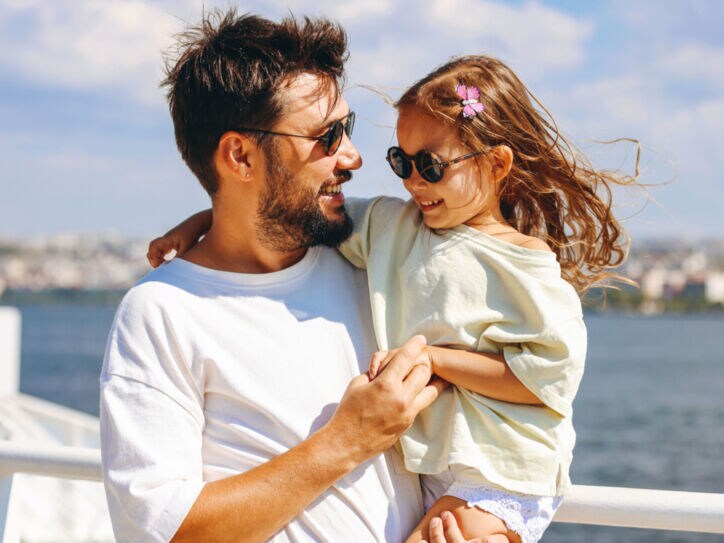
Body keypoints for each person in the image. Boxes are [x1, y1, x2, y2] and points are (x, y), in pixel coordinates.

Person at [151, 55, 641, 543]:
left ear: (496, 163)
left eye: (430, 165)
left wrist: (435, 360)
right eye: (401, 161)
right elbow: (290, 213)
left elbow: (545, 382)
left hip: (500, 469)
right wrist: (200, 225)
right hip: (436, 465)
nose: (412, 182)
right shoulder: (392, 227)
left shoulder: (525, 264)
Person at [100, 10, 458, 543]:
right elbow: (161, 530)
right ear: (239, 156)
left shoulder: (377, 259)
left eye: (349, 128)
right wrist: (346, 440)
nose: (353, 156)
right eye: (326, 136)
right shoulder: (162, 312)